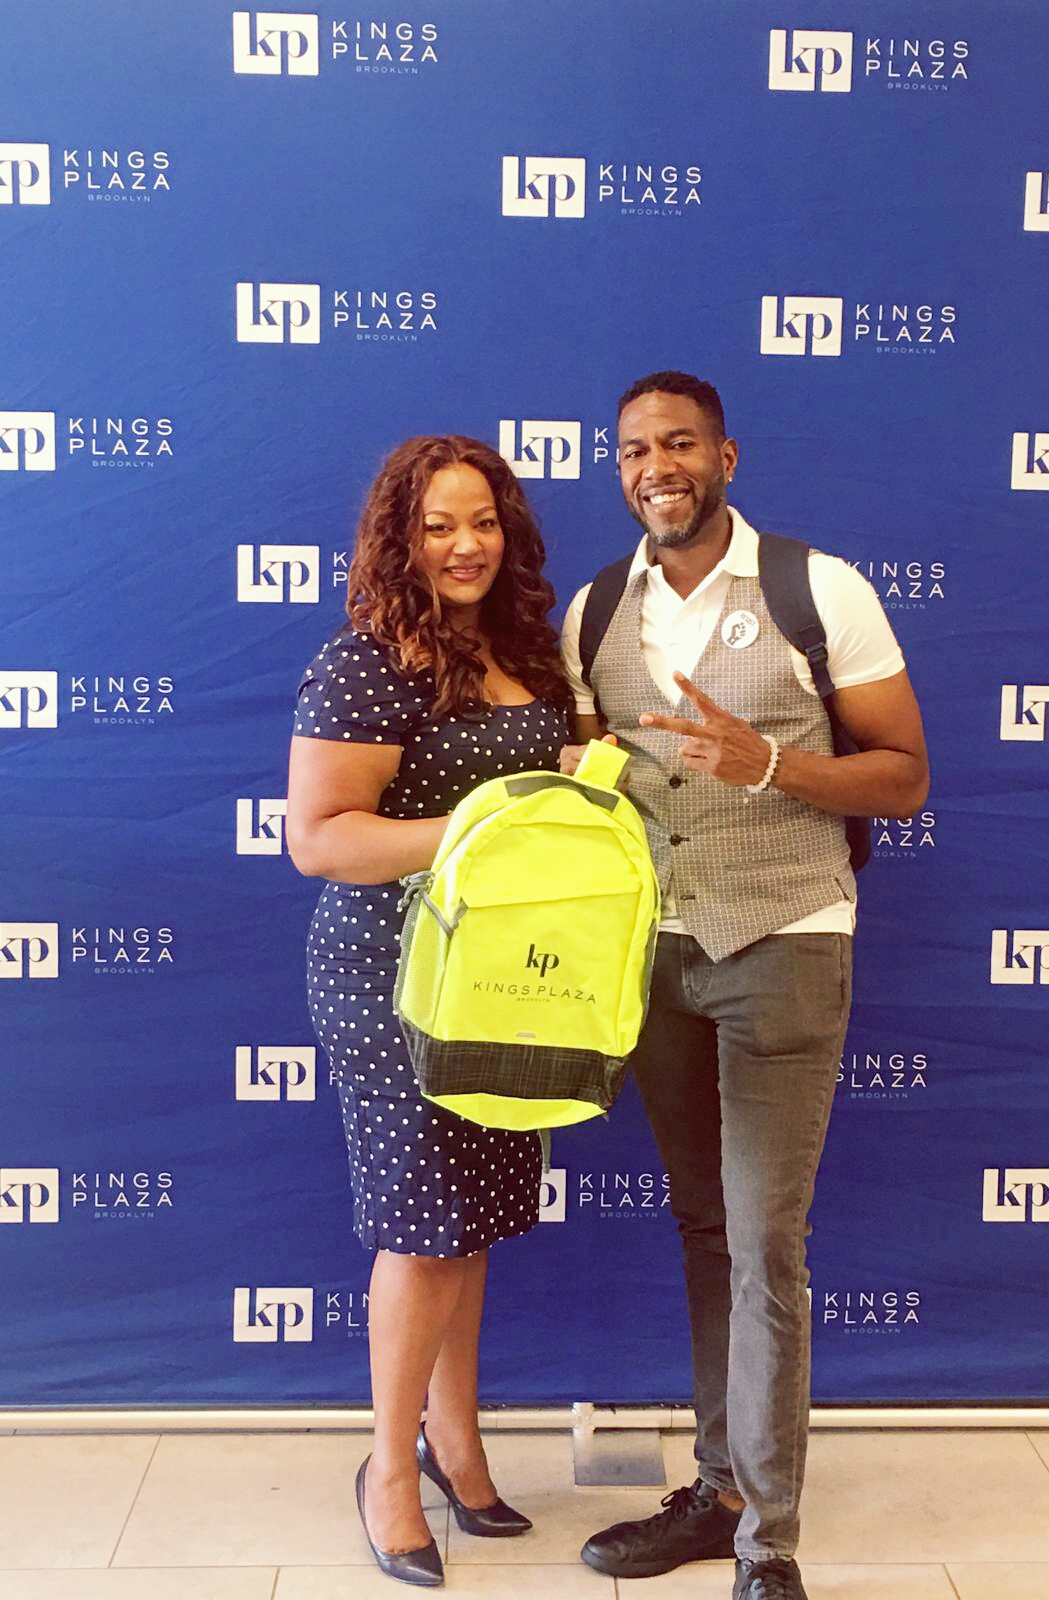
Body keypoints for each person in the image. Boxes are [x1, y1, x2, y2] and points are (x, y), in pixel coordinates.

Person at [559, 373, 929, 1600]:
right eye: (632, 450)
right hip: (657, 957)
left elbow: (903, 778)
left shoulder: (818, 590)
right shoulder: (594, 607)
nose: (654, 464)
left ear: (726, 455)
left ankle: (769, 1543)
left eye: (677, 444)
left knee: (766, 1240)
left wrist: (770, 759)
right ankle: (718, 1490)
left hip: (787, 935)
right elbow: (596, 776)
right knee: (706, 1226)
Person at [286, 435, 572, 1587]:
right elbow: (322, 836)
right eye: (441, 526)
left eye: (485, 523)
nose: (466, 547)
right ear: (401, 539)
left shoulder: (524, 653)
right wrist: (484, 831)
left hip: (508, 977)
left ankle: (457, 1442)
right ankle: (387, 1470)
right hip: (392, 979)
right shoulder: (364, 662)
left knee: (475, 1219)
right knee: (423, 1227)